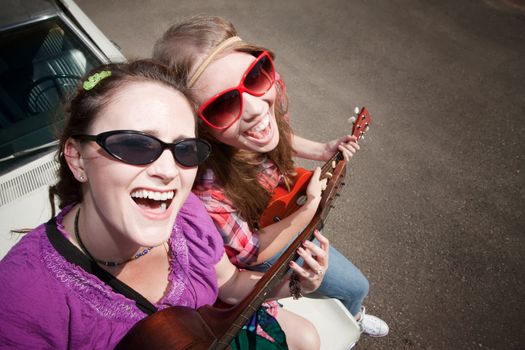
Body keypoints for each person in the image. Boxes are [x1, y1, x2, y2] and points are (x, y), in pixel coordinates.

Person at [0, 60, 330, 349]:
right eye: (135, 144)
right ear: (77, 159)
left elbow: (228, 284)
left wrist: (297, 283)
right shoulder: (21, 296)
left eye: (185, 150)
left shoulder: (188, 215)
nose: (169, 171)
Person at [153, 15, 389, 337]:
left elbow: (270, 134)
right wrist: (308, 211)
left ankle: (352, 315)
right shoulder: (206, 189)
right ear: (199, 126)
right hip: (264, 240)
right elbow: (249, 252)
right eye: (223, 105)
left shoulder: (267, 89)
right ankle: (353, 317)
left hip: (278, 210)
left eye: (255, 75)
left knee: (352, 287)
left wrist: (321, 150)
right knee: (354, 285)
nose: (253, 107)